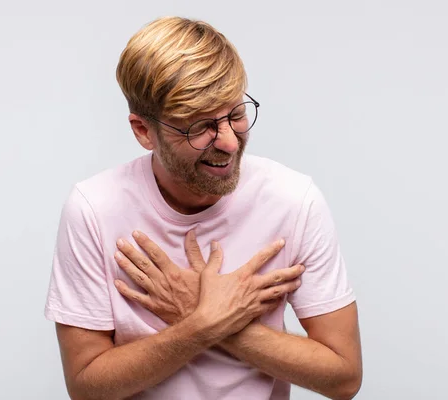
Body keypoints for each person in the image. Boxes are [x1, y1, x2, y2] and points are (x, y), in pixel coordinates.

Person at [44, 16, 362, 400]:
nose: (229, 142)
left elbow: (344, 378)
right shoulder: (93, 208)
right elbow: (86, 387)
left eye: (236, 114)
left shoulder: (293, 200)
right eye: (200, 127)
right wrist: (198, 326)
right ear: (144, 131)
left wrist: (202, 313)